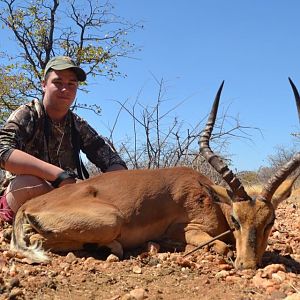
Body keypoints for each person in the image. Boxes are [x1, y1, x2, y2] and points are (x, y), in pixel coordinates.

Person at [0, 56, 127, 224]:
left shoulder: (78, 125)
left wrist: (106, 188)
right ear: (44, 85)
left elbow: (114, 162)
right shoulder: (28, 114)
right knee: (27, 183)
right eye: (58, 83)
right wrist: (59, 176)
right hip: (32, 192)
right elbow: (3, 150)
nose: (65, 89)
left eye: (71, 84)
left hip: (68, 196)